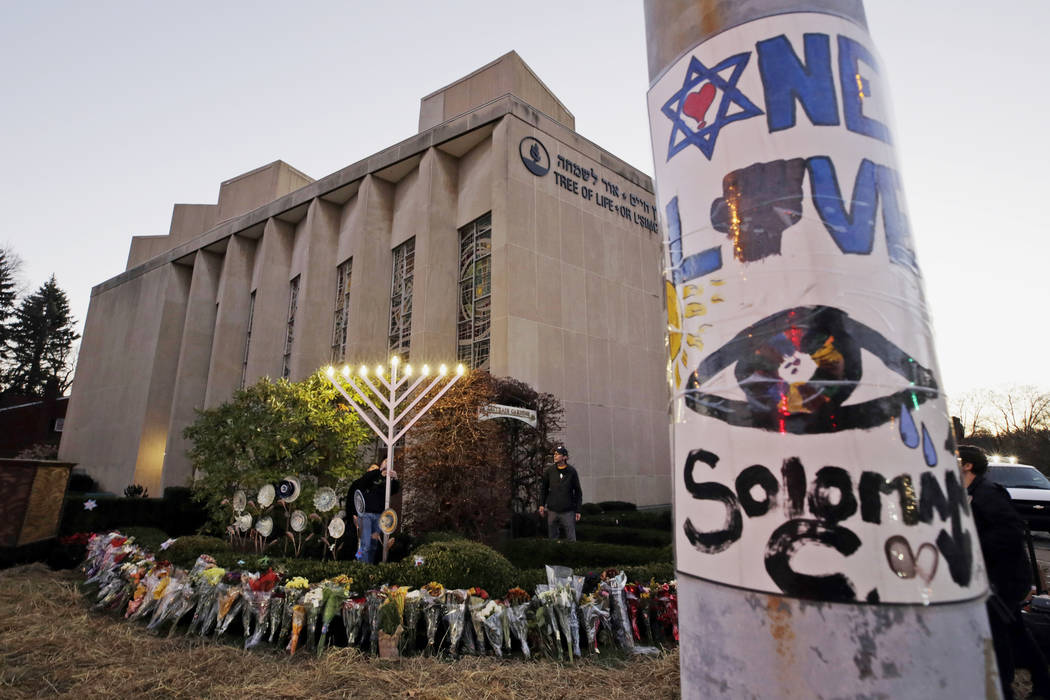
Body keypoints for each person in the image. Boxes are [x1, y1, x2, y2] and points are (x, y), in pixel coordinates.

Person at [958, 444, 1050, 700]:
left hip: (1005, 579)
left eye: (954, 459)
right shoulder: (970, 492)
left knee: (1000, 633)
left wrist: (972, 545)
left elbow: (1010, 534)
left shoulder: (987, 493)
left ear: (967, 465)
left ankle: (1005, 688)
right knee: (1015, 632)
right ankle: (1039, 684)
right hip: (995, 576)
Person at [347, 458, 400, 563]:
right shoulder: (364, 481)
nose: (374, 471)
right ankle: (362, 565)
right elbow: (365, 480)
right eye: (372, 469)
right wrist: (379, 469)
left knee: (373, 545)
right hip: (365, 515)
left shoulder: (384, 481)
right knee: (365, 544)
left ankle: (366, 565)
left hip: (379, 516)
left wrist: (395, 478)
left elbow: (394, 490)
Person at [539, 445, 582, 541]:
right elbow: (544, 489)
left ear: (564, 457)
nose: (555, 456)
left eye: (558, 454)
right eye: (554, 454)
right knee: (552, 539)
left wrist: (578, 510)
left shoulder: (571, 472)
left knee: (571, 539)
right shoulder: (549, 471)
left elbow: (578, 492)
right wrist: (541, 504)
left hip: (568, 511)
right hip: (552, 511)